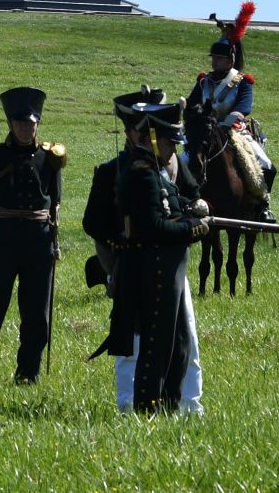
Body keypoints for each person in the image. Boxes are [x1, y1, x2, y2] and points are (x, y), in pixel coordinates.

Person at [85, 89, 206, 414]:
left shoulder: (172, 164)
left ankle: (187, 405)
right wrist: (123, 247)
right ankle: (130, 406)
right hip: (134, 264)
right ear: (132, 132)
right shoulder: (117, 170)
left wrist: (193, 210)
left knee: (185, 340)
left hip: (169, 264)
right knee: (134, 344)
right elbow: (94, 221)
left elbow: (189, 195)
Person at [0, 87, 65, 384]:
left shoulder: (50, 158)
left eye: (31, 123)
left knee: (36, 316)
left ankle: (27, 375)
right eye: (20, 123)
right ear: (10, 124)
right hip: (3, 241)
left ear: (38, 124)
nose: (25, 128)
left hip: (39, 242)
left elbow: (55, 199)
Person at [185, 36, 275, 220]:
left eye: (218, 58)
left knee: (266, 166)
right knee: (180, 161)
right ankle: (183, 201)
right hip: (204, 132)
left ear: (230, 60)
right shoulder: (204, 82)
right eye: (213, 57)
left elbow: (244, 107)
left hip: (232, 130)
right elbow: (192, 103)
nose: (214, 61)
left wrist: (224, 124)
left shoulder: (242, 82)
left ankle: (262, 205)